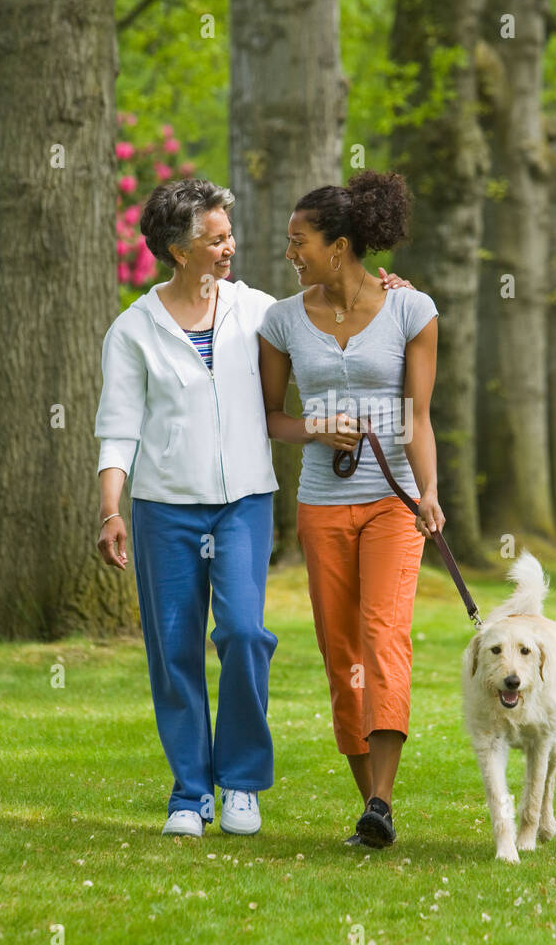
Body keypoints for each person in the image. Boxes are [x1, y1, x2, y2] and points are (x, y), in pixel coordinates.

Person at [258, 170, 444, 848]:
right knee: (342, 653)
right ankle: (369, 802)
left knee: (383, 634)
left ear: (338, 246)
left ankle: (385, 801)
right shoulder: (281, 320)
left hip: (392, 503)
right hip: (323, 505)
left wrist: (428, 493)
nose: (291, 252)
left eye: (298, 240)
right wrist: (313, 427)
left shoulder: (410, 309)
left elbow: (419, 416)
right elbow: (271, 419)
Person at [94, 178, 279, 839]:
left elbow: (324, 316)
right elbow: (118, 427)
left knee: (243, 633)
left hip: (244, 504)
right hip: (164, 509)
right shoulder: (133, 330)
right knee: (173, 650)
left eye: (229, 234)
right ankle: (190, 793)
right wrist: (111, 509)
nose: (230, 247)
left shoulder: (256, 309)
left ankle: (243, 782)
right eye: (215, 238)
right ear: (178, 249)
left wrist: (383, 292)